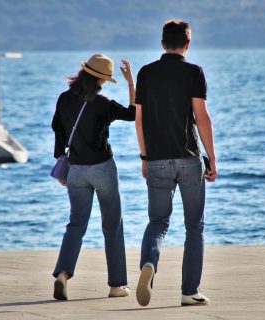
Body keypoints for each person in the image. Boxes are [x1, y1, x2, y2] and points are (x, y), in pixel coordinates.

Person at [134, 20, 218, 307]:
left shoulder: (145, 73)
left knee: (158, 221)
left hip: (156, 160)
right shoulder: (194, 72)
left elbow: (139, 120)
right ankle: (189, 291)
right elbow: (202, 117)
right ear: (188, 44)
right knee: (194, 226)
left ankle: (149, 263)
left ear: (161, 43)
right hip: (189, 158)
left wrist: (144, 157)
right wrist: (213, 159)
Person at [51, 54, 136, 300]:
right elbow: (133, 114)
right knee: (112, 226)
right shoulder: (102, 103)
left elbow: (58, 130)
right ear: (101, 80)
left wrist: (61, 161)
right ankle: (117, 286)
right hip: (102, 168)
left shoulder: (64, 99)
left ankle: (63, 274)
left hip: (76, 170)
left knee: (75, 225)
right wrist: (131, 83)